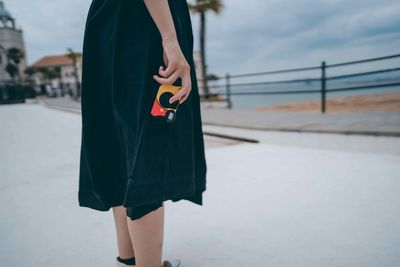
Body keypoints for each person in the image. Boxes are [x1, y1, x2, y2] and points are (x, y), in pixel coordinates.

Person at [78, 0, 207, 267]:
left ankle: (128, 259)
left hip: (109, 24)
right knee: (149, 145)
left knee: (120, 144)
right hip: (146, 28)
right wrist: (170, 39)